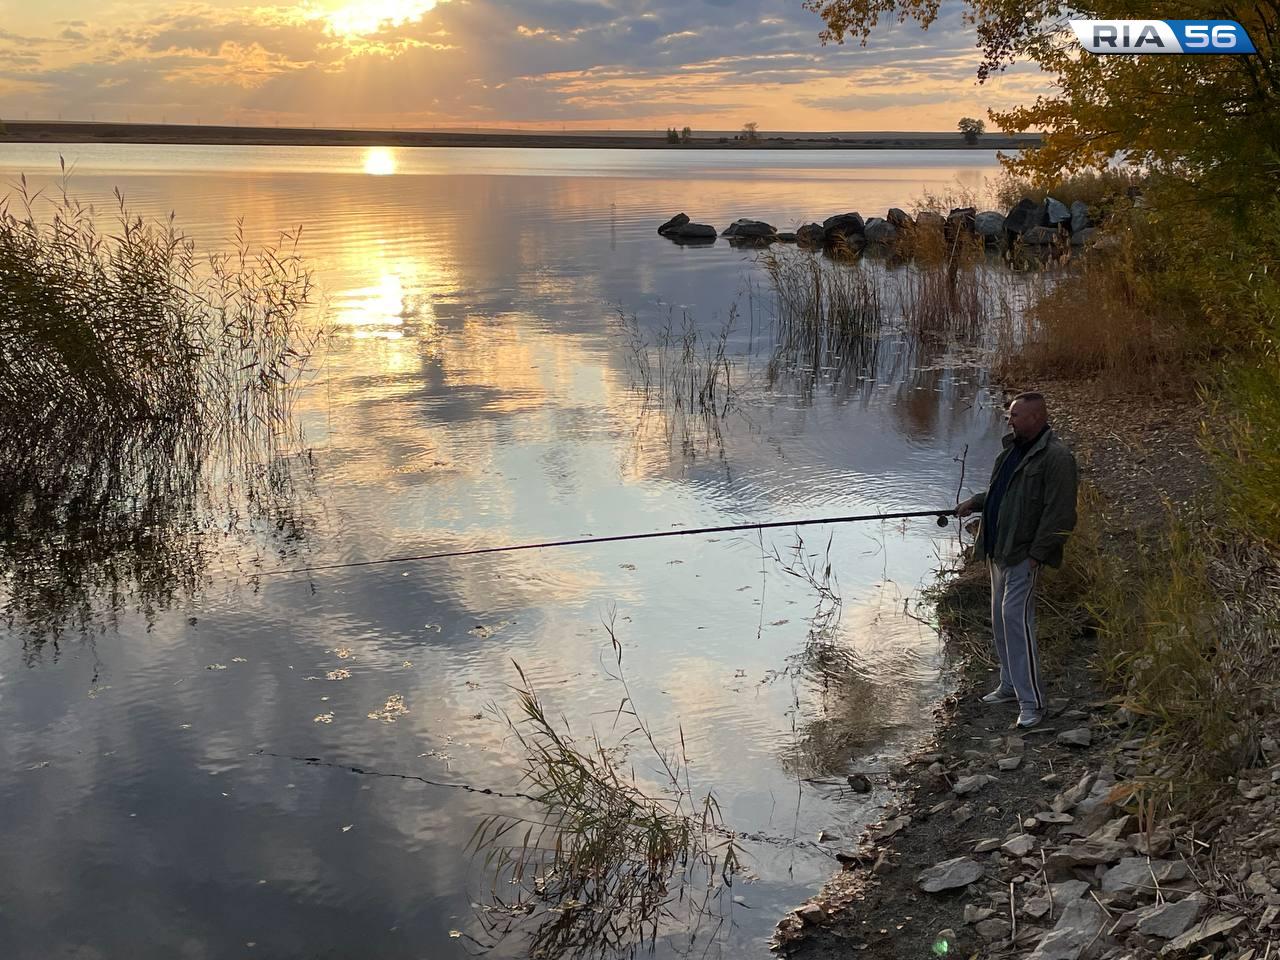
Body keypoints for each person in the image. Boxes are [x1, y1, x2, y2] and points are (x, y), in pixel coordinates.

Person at [956, 392, 1078, 729]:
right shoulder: (1012, 449)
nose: (1009, 421)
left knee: (1016, 622)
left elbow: (1061, 515)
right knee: (999, 620)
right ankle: (1009, 686)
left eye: (1015, 416)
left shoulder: (1057, 458)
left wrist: (1038, 555)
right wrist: (976, 501)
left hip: (1024, 556)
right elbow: (1002, 494)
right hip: (998, 550)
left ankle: (1033, 703)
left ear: (1037, 418)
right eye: (1010, 415)